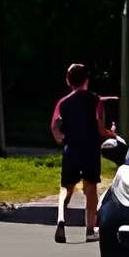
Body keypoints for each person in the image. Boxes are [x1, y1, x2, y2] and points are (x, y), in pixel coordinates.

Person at [50, 62, 104, 245]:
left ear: (68, 81)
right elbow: (100, 128)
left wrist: (62, 137)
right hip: (90, 149)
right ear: (87, 80)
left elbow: (55, 128)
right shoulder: (96, 100)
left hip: (71, 149)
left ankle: (60, 221)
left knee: (66, 188)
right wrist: (112, 132)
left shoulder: (62, 103)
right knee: (90, 189)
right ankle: (90, 230)